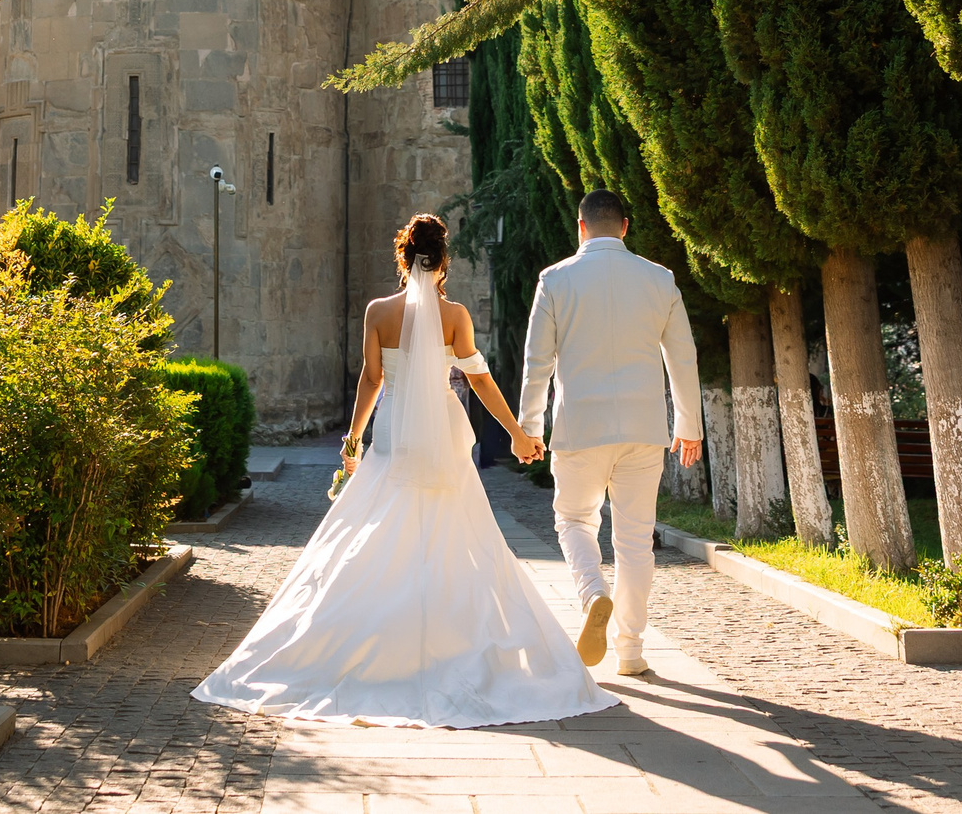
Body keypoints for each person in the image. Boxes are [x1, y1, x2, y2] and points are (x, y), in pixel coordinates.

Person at [191, 214, 619, 727]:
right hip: (441, 430)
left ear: (403, 258)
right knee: (461, 538)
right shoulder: (456, 314)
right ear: (443, 262)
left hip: (395, 432)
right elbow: (479, 380)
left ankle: (371, 645)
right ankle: (448, 643)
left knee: (374, 531)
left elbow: (371, 380)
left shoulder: (378, 312)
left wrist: (352, 442)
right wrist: (517, 433)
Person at [517, 190, 703, 678]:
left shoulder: (555, 280)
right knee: (636, 542)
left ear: (580, 228)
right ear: (625, 226)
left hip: (579, 427)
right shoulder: (659, 279)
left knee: (574, 522)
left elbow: (538, 363)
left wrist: (529, 427)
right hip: (644, 429)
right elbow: (682, 357)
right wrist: (689, 425)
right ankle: (631, 652)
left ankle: (592, 593)